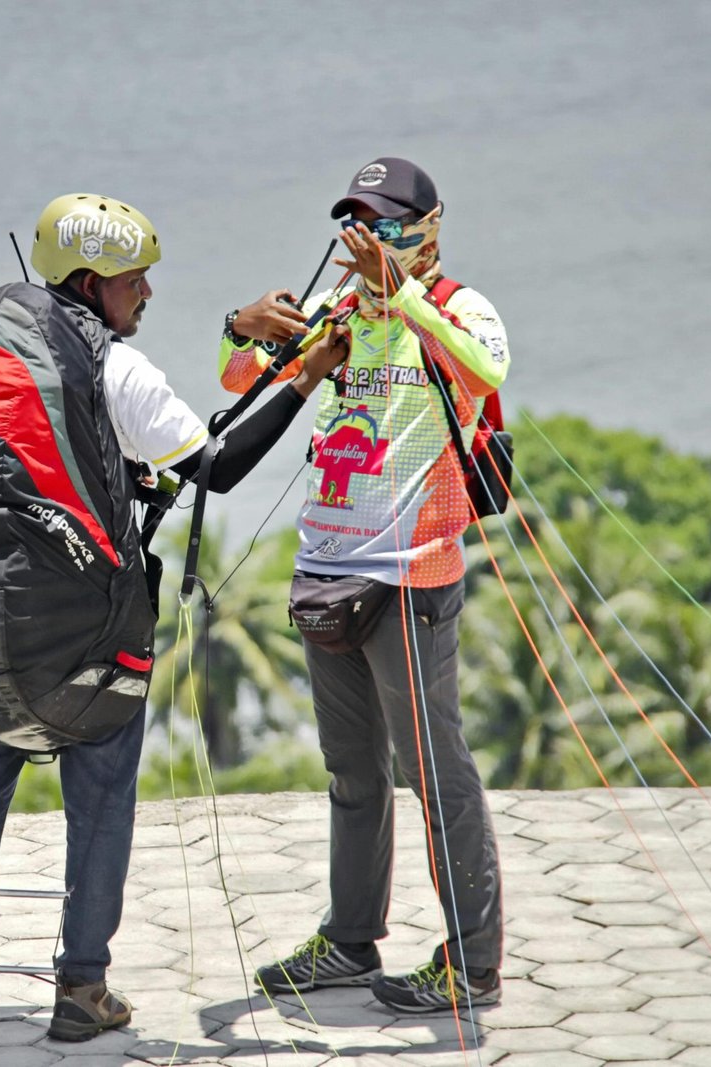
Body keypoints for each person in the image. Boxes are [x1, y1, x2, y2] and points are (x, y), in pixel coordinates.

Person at [0, 194, 351, 1042]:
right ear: (90, 283)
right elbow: (217, 466)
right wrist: (304, 378)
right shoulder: (117, 368)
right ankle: (81, 989)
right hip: (81, 646)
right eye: (134, 279)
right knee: (103, 792)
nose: (147, 292)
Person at [248, 159, 510, 1013]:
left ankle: (472, 963)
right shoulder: (339, 310)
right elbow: (239, 378)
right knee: (352, 771)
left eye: (389, 223)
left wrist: (406, 297)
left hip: (410, 575)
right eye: (359, 223)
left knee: (436, 772)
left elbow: (487, 371)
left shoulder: (460, 307)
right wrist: (241, 327)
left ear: (429, 228)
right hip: (327, 573)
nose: (371, 238)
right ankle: (350, 940)